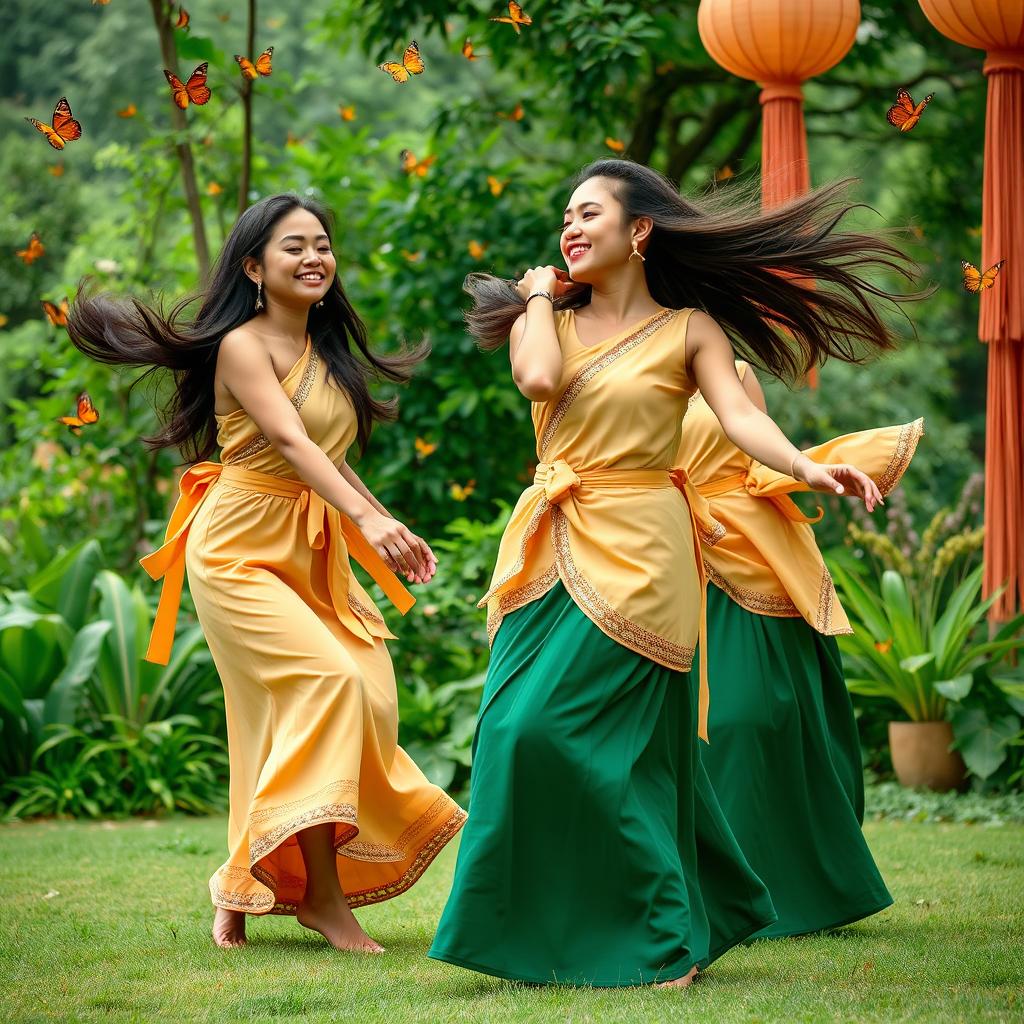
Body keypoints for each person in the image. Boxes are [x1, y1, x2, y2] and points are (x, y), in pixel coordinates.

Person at [427, 159, 921, 987]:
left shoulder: (691, 329)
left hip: (647, 552)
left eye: (589, 214)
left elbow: (738, 418)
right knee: (517, 734)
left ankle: (663, 940)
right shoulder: (540, 322)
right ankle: (552, 929)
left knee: (618, 749)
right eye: (565, 220)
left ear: (640, 231)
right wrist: (541, 296)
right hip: (552, 541)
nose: (571, 230)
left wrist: (805, 467)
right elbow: (538, 380)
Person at [67, 194, 466, 953]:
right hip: (240, 548)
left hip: (311, 547)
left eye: (323, 243)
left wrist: (384, 522)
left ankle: (241, 880)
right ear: (254, 266)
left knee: (363, 688)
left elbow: (332, 459)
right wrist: (369, 523)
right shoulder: (243, 346)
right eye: (294, 247)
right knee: (327, 687)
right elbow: (288, 441)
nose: (315, 257)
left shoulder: (325, 352)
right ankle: (319, 897)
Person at [679, 361, 922, 936]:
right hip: (659, 555)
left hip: (749, 553)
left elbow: (758, 445)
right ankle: (704, 891)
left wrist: (808, 468)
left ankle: (786, 888)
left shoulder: (732, 370)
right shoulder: (617, 372)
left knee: (752, 717)